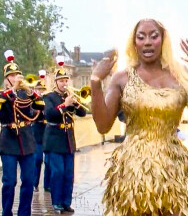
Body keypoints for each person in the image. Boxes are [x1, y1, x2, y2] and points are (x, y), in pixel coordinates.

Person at [91, 19, 188, 215]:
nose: (148, 42)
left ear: (163, 40)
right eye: (141, 37)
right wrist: (95, 82)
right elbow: (103, 126)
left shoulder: (181, 75)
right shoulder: (122, 78)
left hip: (173, 167)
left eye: (154, 36)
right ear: (134, 43)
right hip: (134, 169)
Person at [0, 51, 44, 216]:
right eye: (12, 75)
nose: (16, 77)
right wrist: (12, 90)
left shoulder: (24, 94)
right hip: (9, 140)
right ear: (6, 79)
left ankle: (24, 213)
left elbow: (40, 106)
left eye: (17, 74)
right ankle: (6, 212)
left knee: (28, 180)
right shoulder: (1, 95)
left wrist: (30, 91)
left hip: (27, 141)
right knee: (9, 181)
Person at [43, 58, 86, 213]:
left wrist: (76, 103)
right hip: (54, 139)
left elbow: (83, 113)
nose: (64, 83)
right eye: (61, 80)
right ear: (56, 82)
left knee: (68, 173)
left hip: (68, 139)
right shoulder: (49, 96)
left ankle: (66, 202)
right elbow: (49, 114)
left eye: (66, 80)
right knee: (57, 172)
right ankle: (57, 202)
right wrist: (64, 105)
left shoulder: (69, 95)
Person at [32, 79, 49, 192]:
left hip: (47, 131)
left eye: (42, 89)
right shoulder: (32, 101)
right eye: (39, 89)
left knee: (48, 161)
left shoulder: (48, 100)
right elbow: (31, 114)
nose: (41, 92)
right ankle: (35, 183)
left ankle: (47, 185)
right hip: (36, 130)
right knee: (38, 159)